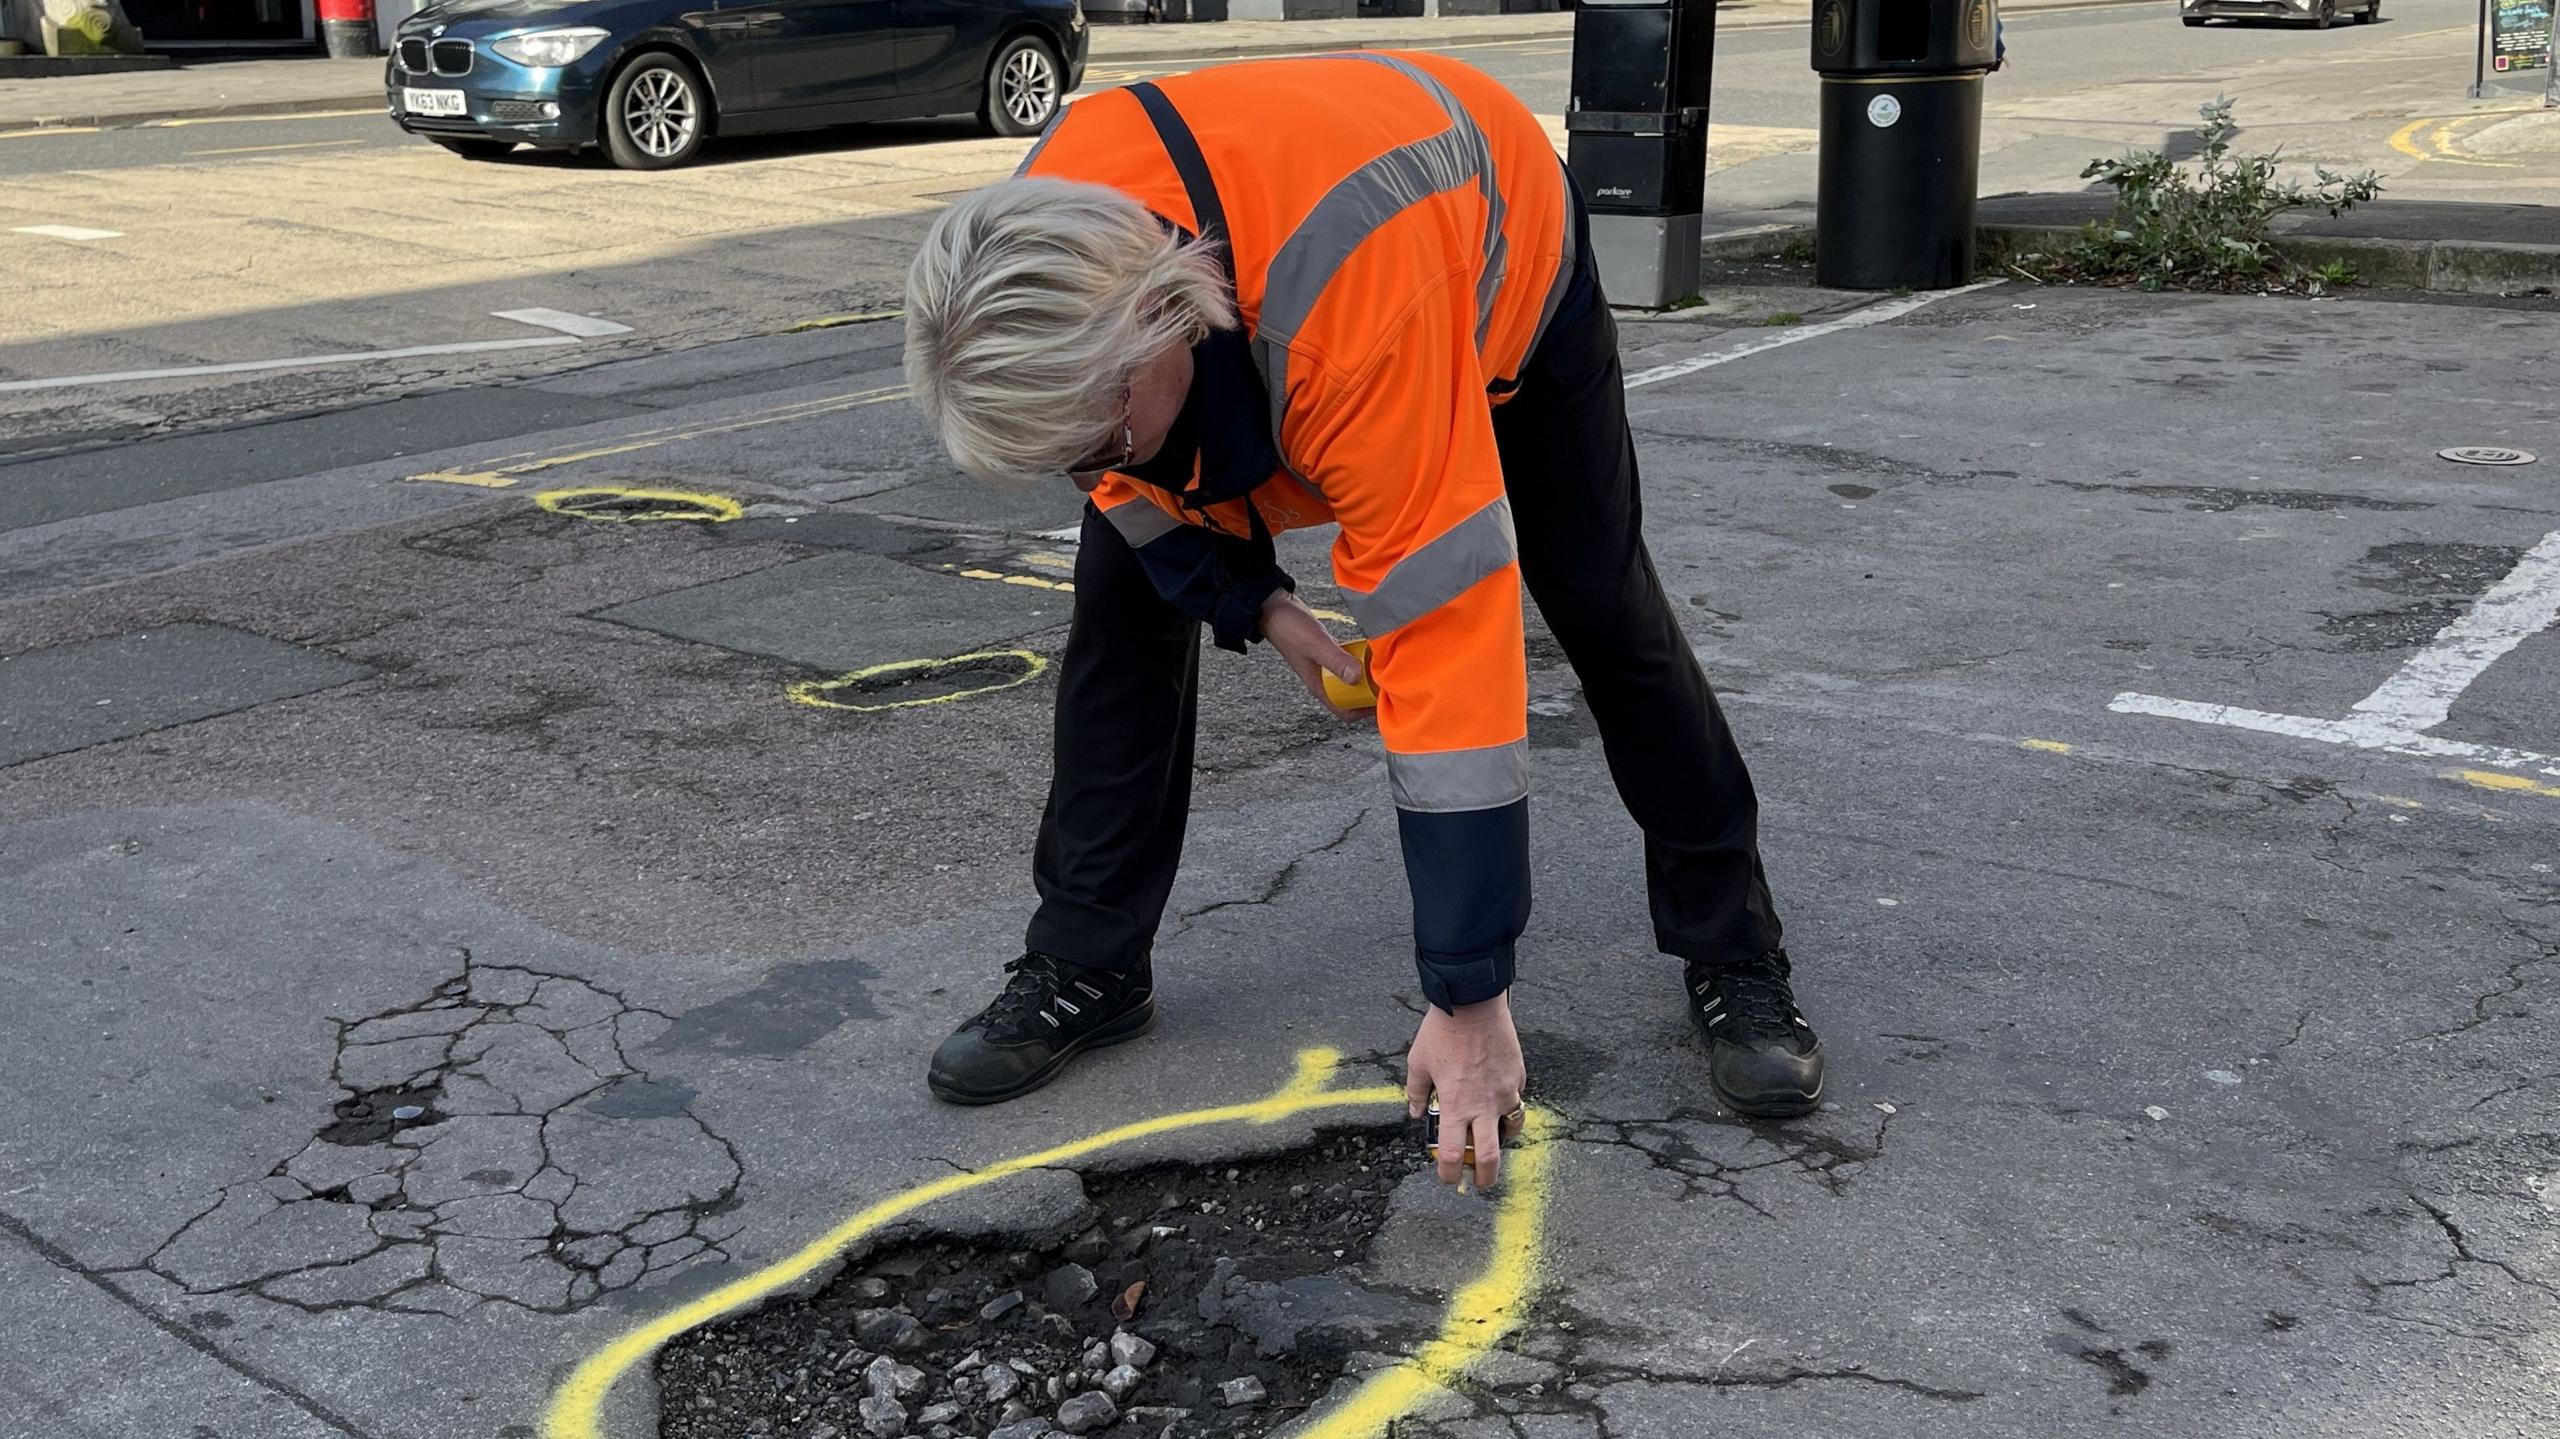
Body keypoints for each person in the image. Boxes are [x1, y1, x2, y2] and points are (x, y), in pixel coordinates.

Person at [901, 53, 1824, 1190]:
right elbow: (1117, 477)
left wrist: (1468, 996)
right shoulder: (1032, 263)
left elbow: (1444, 632)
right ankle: (1087, 959)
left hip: (1491, 265)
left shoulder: (1353, 320)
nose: (1085, 469)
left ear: (1161, 318)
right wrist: (1258, 601)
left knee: (1596, 597)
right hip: (1261, 272)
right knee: (1120, 615)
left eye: (1091, 439)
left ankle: (1732, 946)